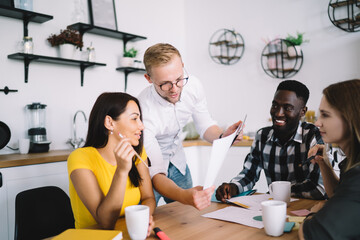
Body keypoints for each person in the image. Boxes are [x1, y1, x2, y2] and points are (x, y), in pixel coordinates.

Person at [138, 43, 242, 210]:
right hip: (151, 168)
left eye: (179, 79)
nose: (175, 89)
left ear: (183, 67)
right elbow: (156, 173)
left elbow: (205, 125)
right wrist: (183, 195)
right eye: (165, 84)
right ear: (149, 79)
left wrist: (223, 137)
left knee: (187, 216)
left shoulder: (193, 86)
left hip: (179, 162)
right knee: (150, 218)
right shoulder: (143, 110)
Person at [216, 80, 330, 202]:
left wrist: (277, 192)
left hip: (308, 210)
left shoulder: (312, 136)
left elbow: (318, 188)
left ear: (302, 111)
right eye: (275, 105)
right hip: (276, 206)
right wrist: (233, 187)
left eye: (287, 108)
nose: (278, 113)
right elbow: (249, 174)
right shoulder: (262, 136)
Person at [67, 92, 156, 236]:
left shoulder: (137, 152)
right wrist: (121, 171)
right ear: (109, 122)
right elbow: (105, 222)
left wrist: (144, 218)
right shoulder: (80, 158)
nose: (142, 126)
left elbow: (148, 198)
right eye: (134, 118)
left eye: (140, 118)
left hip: (126, 232)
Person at [299, 79, 360, 239]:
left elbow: (312, 235)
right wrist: (323, 163)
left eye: (325, 115)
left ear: (351, 117)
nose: (317, 123)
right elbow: (339, 196)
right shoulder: (351, 162)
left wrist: (314, 215)